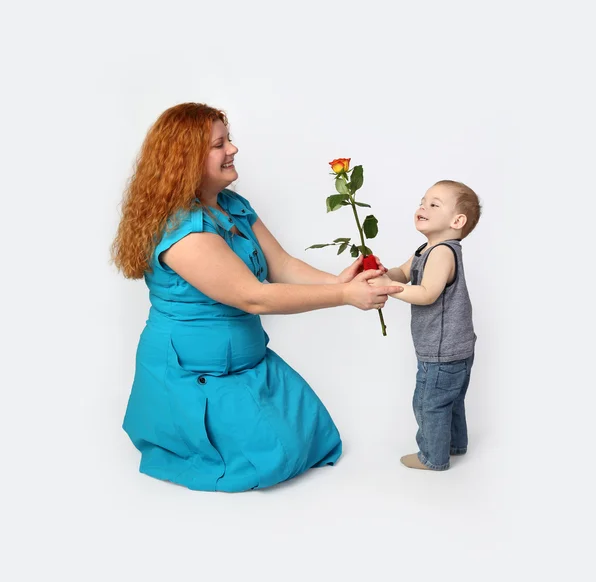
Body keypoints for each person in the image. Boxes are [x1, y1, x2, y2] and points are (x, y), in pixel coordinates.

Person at [111, 102, 403, 491]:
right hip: (193, 375)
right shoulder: (185, 233)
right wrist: (346, 298)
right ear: (186, 158)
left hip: (247, 363)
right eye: (219, 144)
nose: (232, 149)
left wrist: (337, 282)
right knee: (271, 461)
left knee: (313, 441)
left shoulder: (233, 206)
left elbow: (280, 264)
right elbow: (254, 298)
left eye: (228, 139)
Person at [370, 180, 481, 471]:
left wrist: (388, 289)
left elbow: (427, 293)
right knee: (452, 400)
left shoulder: (443, 252)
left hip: (442, 350)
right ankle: (455, 445)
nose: (423, 207)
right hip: (456, 345)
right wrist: (382, 272)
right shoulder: (426, 248)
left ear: (457, 221)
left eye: (434, 204)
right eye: (423, 201)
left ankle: (433, 457)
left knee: (429, 403)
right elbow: (403, 273)